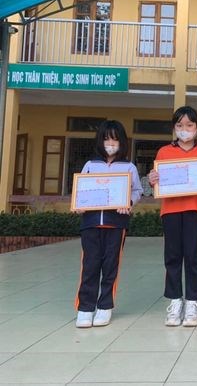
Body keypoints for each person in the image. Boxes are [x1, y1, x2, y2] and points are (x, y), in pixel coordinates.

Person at [148, 106, 197, 327]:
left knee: (194, 256)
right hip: (170, 211)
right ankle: (175, 301)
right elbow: (157, 182)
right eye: (179, 125)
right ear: (174, 128)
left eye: (189, 125)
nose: (184, 129)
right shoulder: (164, 152)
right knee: (173, 257)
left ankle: (193, 302)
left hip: (196, 210)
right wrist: (153, 179)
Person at [75, 120, 142, 328]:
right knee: (89, 266)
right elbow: (81, 189)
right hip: (91, 223)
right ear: (100, 141)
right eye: (106, 139)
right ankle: (85, 308)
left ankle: (105, 306)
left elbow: (137, 191)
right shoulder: (90, 165)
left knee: (111, 266)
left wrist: (128, 203)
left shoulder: (129, 167)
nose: (110, 144)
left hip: (116, 224)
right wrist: (79, 204)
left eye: (115, 139)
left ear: (122, 142)